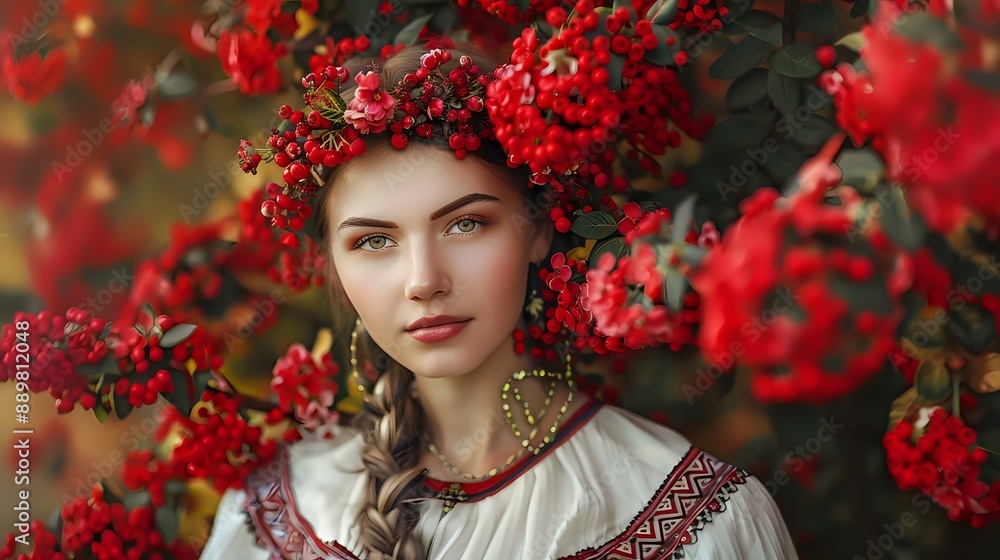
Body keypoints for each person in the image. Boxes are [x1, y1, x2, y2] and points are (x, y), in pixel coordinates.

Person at [200, 44, 799, 560]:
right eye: (374, 240)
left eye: (466, 225)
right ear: (333, 263)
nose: (424, 280)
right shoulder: (272, 521)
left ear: (537, 228)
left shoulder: (691, 518)